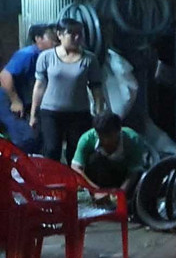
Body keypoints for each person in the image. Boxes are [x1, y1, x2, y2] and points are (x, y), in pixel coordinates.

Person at [31, 18, 105, 162]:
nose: (77, 37)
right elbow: (39, 86)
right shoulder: (46, 57)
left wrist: (99, 113)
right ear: (59, 35)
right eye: (71, 33)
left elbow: (96, 88)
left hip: (79, 114)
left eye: (79, 34)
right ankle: (51, 177)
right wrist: (34, 114)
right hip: (51, 113)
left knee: (76, 153)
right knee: (51, 150)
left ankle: (74, 177)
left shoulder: (90, 59)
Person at [0, 23, 56, 151]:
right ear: (38, 39)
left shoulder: (48, 56)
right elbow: (4, 75)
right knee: (25, 139)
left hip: (27, 101)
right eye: (51, 37)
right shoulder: (28, 54)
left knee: (37, 138)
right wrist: (15, 100)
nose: (55, 41)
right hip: (9, 99)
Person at [72, 110, 151, 195]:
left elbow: (134, 172)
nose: (106, 141)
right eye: (102, 137)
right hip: (98, 177)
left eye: (109, 136)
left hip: (123, 176)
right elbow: (76, 168)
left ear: (119, 130)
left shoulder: (133, 140)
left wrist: (120, 194)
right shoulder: (87, 139)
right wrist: (95, 190)